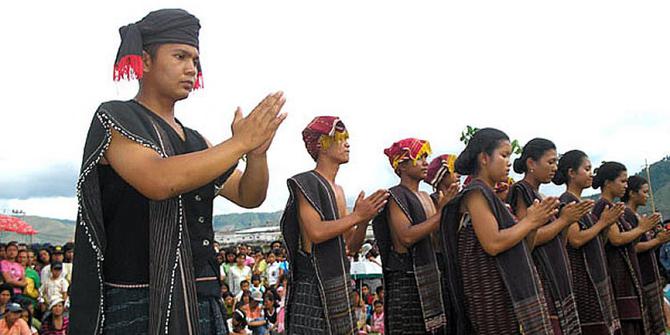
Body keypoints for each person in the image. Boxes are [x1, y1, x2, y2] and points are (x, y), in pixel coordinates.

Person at [70, 8, 286, 334]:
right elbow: (159, 180)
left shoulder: (197, 141)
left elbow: (248, 195)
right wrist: (240, 142)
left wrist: (257, 154)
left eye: (195, 60)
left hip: (201, 293)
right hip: (137, 300)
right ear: (144, 61)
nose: (191, 68)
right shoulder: (115, 119)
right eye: (180, 56)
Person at [440, 128, 558, 334]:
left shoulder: (494, 197)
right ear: (484, 158)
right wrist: (529, 222)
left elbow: (523, 248)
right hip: (489, 295)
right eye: (504, 155)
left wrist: (534, 224)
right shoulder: (475, 193)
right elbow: (493, 244)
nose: (509, 162)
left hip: (505, 293)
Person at [281, 116, 388, 334]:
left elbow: (350, 247)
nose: (347, 144)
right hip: (314, 284)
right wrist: (357, 216)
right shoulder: (307, 182)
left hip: (338, 283)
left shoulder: (338, 190)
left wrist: (364, 220)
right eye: (340, 138)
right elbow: (316, 232)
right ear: (321, 144)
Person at [507, 138, 586, 334]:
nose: (554, 167)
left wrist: (567, 221)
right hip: (541, 276)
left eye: (556, 162)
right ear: (531, 163)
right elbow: (526, 239)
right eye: (550, 162)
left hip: (556, 273)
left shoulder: (542, 197)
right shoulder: (520, 190)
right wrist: (562, 221)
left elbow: (561, 241)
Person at [373, 138, 447, 334]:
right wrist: (440, 215)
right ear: (402, 165)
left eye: (426, 157)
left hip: (431, 276)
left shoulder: (426, 197)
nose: (425, 163)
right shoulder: (396, 195)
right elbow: (406, 236)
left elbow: (436, 239)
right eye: (419, 158)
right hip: (406, 279)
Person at [554, 150, 621, 334]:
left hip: (595, 273)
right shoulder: (567, 201)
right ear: (572, 173)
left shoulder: (582, 203)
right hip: (583, 276)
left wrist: (606, 225)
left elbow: (598, 241)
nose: (591, 174)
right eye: (587, 168)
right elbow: (575, 240)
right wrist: (603, 222)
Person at [593, 161, 655, 334]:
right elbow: (616, 239)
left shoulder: (615, 207)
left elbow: (629, 242)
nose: (625, 186)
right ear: (607, 183)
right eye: (622, 181)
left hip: (627, 275)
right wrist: (642, 229)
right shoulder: (603, 206)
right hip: (618, 276)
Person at [623, 175, 670, 334]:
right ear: (632, 193)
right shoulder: (626, 215)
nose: (647, 195)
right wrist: (657, 241)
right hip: (643, 277)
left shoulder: (636, 215)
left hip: (651, 275)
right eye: (644, 192)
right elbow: (632, 247)